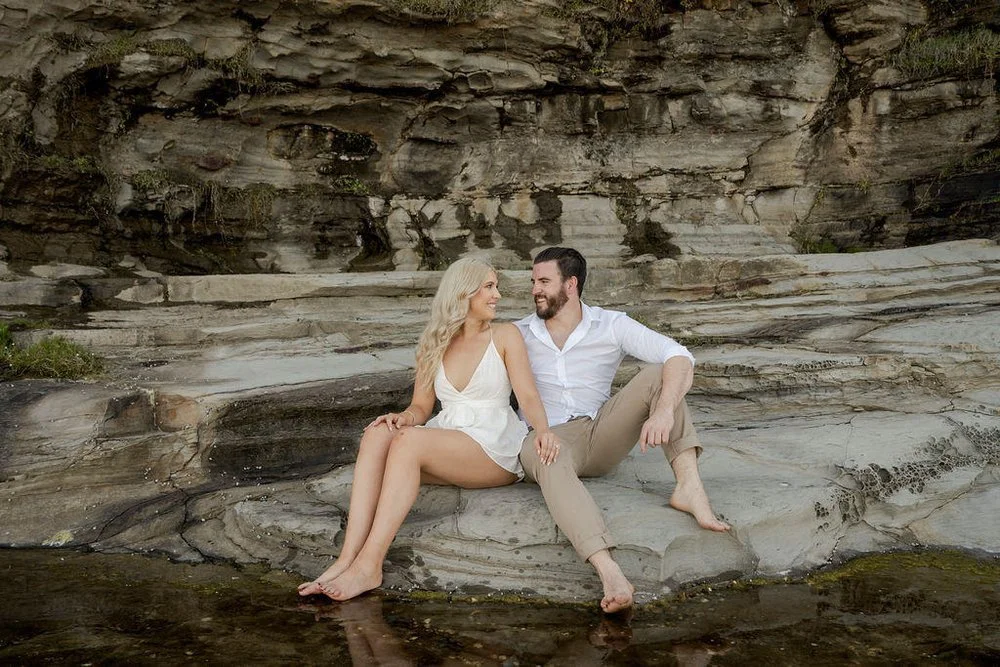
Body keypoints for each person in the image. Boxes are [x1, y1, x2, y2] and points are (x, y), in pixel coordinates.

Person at [298, 257, 559, 601]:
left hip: (492, 446)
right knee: (379, 433)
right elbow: (421, 408)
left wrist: (542, 430)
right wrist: (402, 417)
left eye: (496, 287)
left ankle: (369, 566)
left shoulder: (505, 335)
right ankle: (346, 558)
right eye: (489, 287)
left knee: (408, 443)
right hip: (445, 438)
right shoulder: (433, 342)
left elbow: (527, 394)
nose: (497, 295)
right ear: (463, 293)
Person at [515, 247, 730, 614]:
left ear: (571, 284)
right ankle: (610, 571)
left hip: (598, 434)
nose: (535, 289)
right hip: (544, 438)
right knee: (545, 455)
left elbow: (679, 355)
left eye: (544, 281)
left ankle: (689, 488)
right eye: (534, 281)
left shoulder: (610, 324)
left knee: (660, 374)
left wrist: (662, 412)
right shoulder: (518, 333)